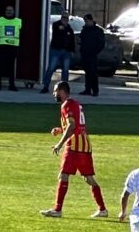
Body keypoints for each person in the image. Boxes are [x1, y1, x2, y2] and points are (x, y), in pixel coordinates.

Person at [40, 81, 108, 218]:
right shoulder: (76, 103)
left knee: (63, 175)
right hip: (85, 145)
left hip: (74, 146)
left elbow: (71, 126)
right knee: (89, 178)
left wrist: (59, 144)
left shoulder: (67, 105)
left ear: (62, 91)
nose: (54, 94)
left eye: (55, 91)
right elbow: (76, 124)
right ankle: (102, 209)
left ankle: (57, 209)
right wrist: (60, 129)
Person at [41, 11, 75, 94]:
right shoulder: (56, 25)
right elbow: (57, 30)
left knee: (65, 70)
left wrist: (72, 51)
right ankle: (45, 86)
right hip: (56, 50)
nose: (65, 19)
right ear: (61, 17)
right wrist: (63, 27)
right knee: (51, 68)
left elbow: (72, 41)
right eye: (63, 17)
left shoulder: (70, 28)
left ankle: (64, 89)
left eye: (66, 18)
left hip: (66, 51)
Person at [0, 4, 21, 91]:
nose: (9, 12)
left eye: (11, 10)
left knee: (11, 68)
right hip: (2, 47)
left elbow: (22, 34)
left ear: (14, 11)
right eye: (7, 10)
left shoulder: (18, 21)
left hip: (13, 47)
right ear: (5, 11)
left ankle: (11, 85)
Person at [78, 14, 104, 97]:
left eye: (87, 21)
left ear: (91, 20)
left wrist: (95, 51)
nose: (86, 22)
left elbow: (101, 43)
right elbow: (81, 39)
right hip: (85, 54)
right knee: (87, 72)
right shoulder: (84, 29)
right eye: (85, 21)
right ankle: (87, 89)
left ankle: (95, 90)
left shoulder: (97, 30)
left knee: (93, 73)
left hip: (92, 54)